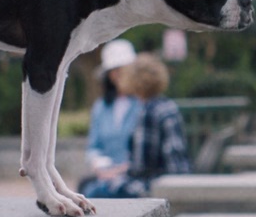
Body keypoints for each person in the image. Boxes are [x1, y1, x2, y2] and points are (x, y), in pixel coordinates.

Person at [82, 53, 188, 198]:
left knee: (93, 191)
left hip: (155, 183)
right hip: (169, 176)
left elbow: (140, 168)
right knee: (89, 185)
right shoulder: (167, 105)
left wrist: (116, 173)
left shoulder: (147, 111)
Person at [80, 41, 140, 197]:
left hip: (135, 175)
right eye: (114, 70)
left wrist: (123, 169)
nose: (119, 74)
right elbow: (94, 147)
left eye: (123, 69)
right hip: (105, 177)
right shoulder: (101, 107)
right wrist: (100, 167)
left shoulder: (143, 104)